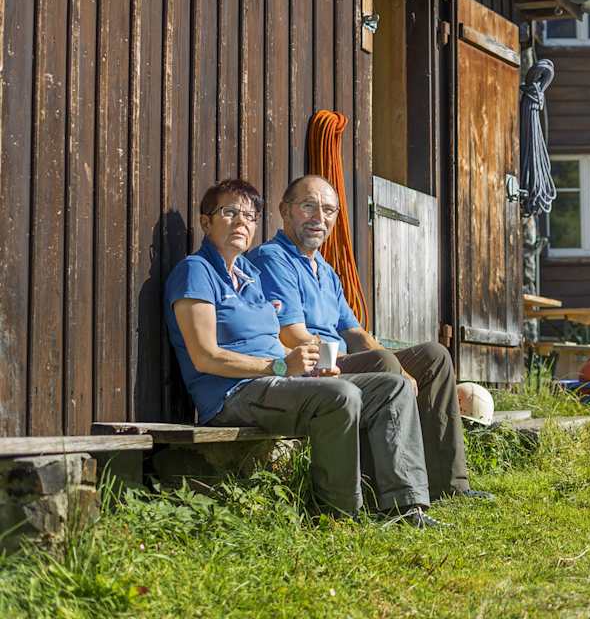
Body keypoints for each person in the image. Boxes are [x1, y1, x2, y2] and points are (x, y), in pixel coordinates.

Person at [163, 178, 440, 527]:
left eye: (249, 216)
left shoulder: (248, 274)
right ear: (206, 222)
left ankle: (405, 508)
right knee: (341, 396)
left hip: (273, 380)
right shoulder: (195, 271)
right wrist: (280, 366)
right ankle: (338, 515)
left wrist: (309, 369)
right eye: (229, 212)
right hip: (232, 393)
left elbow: (274, 341)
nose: (241, 222)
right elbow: (206, 357)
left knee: (392, 386)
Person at [247, 174, 491, 501]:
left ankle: (449, 485)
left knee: (434, 357)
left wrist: (404, 368)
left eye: (329, 211)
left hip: (344, 360)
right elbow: (292, 335)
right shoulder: (273, 258)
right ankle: (380, 487)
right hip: (312, 368)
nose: (320, 218)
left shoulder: (325, 270)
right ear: (285, 210)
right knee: (382, 361)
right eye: (309, 207)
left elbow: (356, 333)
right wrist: (389, 365)